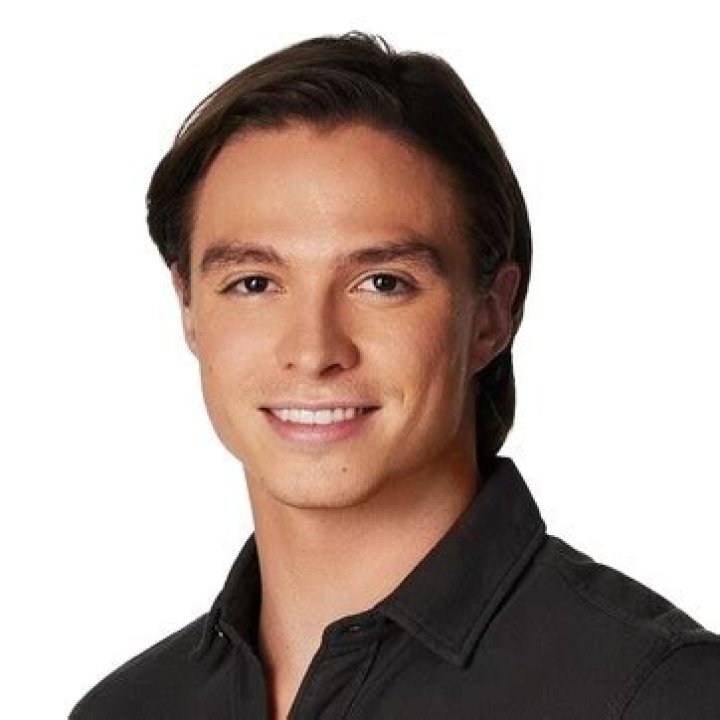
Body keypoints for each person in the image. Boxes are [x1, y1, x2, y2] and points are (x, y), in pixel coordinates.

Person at [69, 32, 720, 719]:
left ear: (490, 316)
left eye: (382, 282)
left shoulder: (661, 695)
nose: (313, 350)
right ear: (189, 309)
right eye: (254, 283)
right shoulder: (126, 710)